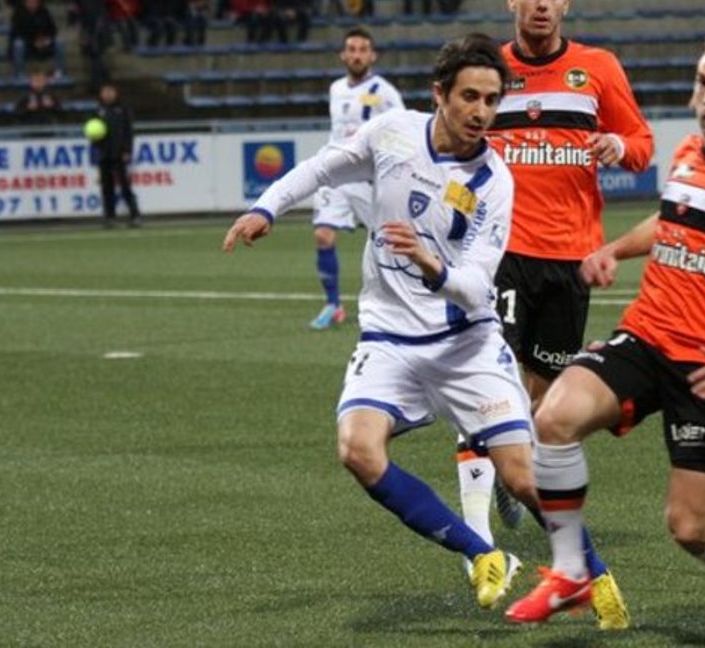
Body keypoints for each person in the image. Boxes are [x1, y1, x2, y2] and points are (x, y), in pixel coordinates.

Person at [505, 34, 705, 641]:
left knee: (691, 529)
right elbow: (672, 218)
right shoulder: (687, 152)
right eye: (703, 82)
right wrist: (615, 249)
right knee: (553, 417)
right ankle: (570, 571)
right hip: (648, 336)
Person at [221, 34, 530, 612]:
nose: (481, 112)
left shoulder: (494, 179)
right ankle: (481, 551)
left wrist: (432, 265)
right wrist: (266, 207)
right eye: (470, 97)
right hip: (391, 329)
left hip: (461, 332)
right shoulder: (390, 127)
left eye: (492, 100)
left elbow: (474, 280)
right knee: (358, 450)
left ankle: (574, 559)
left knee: (523, 468)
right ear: (441, 95)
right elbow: (321, 166)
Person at [455, 0, 654, 632]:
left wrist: (616, 149)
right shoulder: (491, 76)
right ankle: (478, 545)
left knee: (538, 404)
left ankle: (515, 482)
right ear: (511, 1)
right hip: (501, 256)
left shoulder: (596, 69)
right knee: (490, 389)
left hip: (571, 261)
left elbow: (641, 140)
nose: (540, 4)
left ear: (566, 4)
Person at [308, 28, 404, 330]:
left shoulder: (384, 91)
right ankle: (333, 304)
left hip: (368, 179)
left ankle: (400, 303)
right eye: (352, 49)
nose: (357, 54)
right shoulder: (336, 88)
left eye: (363, 49)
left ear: (372, 55)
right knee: (323, 235)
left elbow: (402, 129)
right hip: (335, 176)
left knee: (388, 243)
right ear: (343, 54)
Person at [91, 84, 142, 228]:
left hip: (119, 153)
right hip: (104, 153)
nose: (107, 94)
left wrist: (127, 151)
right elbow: (92, 133)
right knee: (107, 187)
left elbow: (128, 132)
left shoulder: (123, 109)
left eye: (110, 91)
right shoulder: (97, 110)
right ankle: (110, 217)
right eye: (105, 92)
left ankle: (135, 215)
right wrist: (96, 150)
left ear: (115, 93)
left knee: (125, 186)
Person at [10, 0, 67, 77]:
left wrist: (47, 39)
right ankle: (20, 73)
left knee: (59, 41)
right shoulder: (19, 14)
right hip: (27, 45)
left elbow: (53, 29)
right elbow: (17, 33)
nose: (34, 4)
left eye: (36, 1)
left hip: (44, 44)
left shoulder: (44, 12)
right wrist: (33, 41)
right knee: (18, 44)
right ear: (26, 2)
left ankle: (60, 72)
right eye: (31, 1)